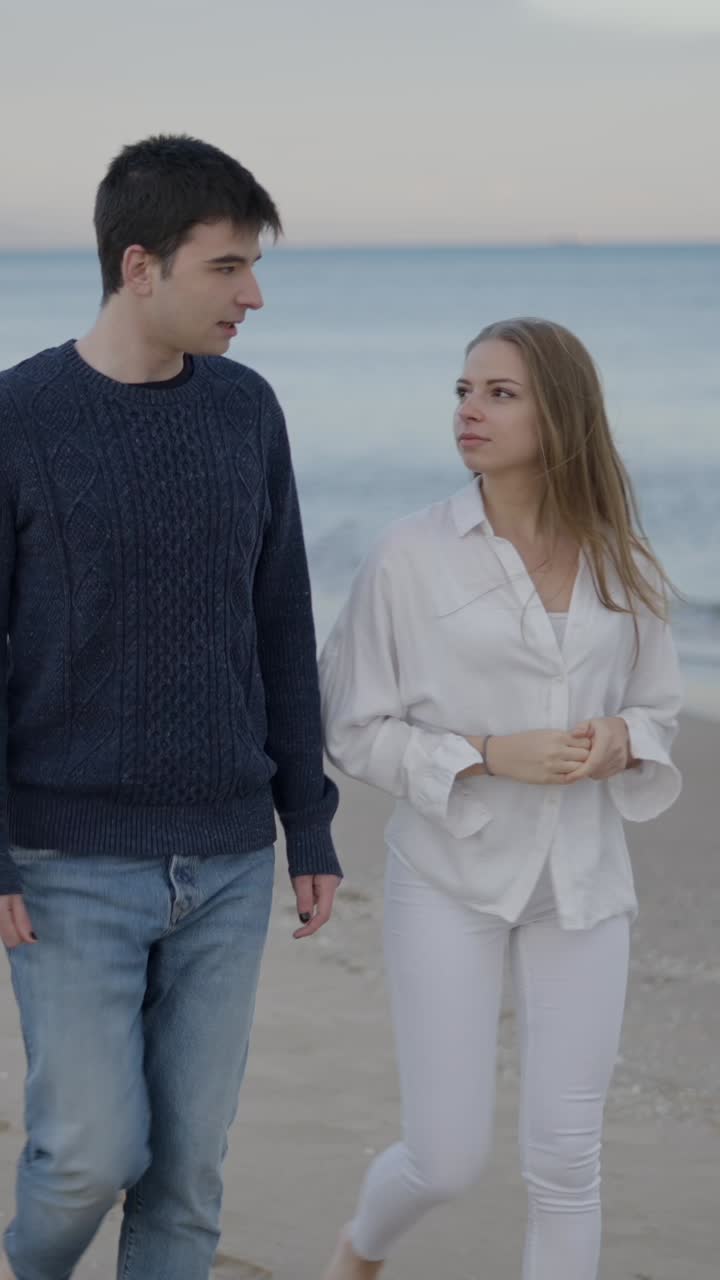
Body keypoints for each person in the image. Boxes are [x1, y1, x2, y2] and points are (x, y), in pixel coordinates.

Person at [0, 134, 342, 1280]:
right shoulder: (18, 418)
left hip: (231, 859)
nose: (253, 294)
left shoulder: (247, 411)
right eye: (229, 267)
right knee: (89, 1152)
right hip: (66, 860)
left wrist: (312, 818)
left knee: (187, 1179)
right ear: (139, 266)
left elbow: (280, 620)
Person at [319, 317, 682, 1280]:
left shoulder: (621, 557)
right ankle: (362, 1246)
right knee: (447, 1158)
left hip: (584, 881)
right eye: (463, 391)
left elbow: (658, 713)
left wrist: (620, 740)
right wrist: (484, 754)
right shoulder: (409, 555)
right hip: (448, 876)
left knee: (567, 1160)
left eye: (499, 393)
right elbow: (352, 727)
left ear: (559, 416)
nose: (469, 412)